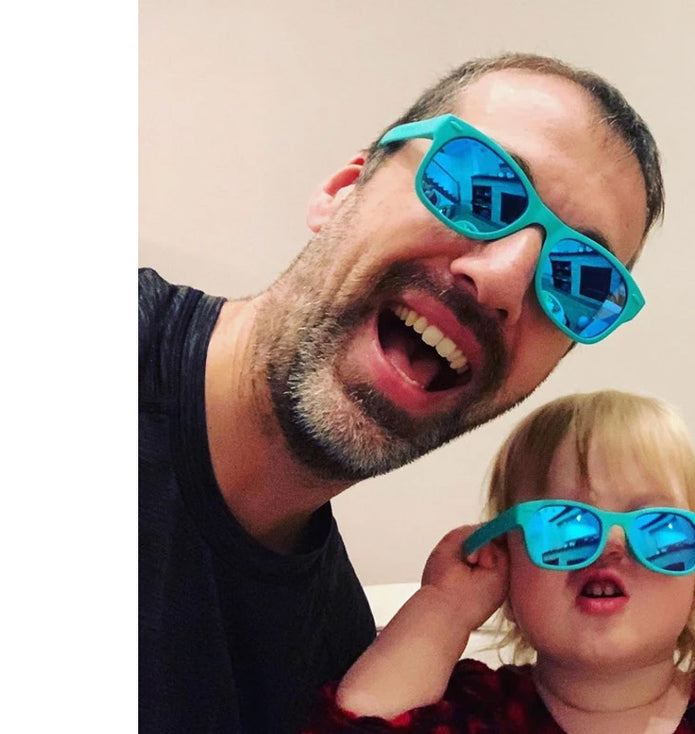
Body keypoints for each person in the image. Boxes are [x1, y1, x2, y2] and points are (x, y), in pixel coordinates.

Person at [139, 53, 666, 733]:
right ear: (343, 190)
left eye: (581, 281)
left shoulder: (340, 662)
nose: (504, 281)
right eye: (479, 188)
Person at [307, 390, 695, 732]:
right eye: (565, 525)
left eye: (657, 529)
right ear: (505, 566)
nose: (613, 544)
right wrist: (442, 607)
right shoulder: (475, 713)